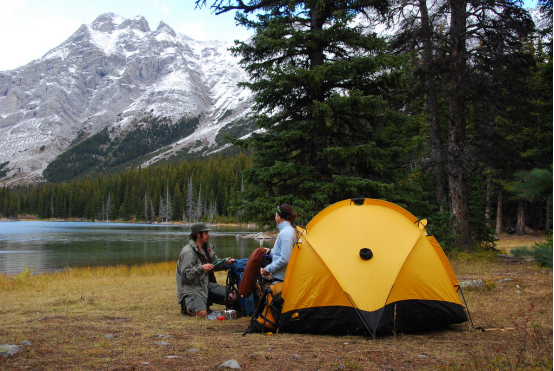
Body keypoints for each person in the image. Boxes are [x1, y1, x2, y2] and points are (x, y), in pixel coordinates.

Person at [176, 222, 237, 317]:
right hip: (191, 291)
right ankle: (186, 307)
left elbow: (215, 264)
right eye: (206, 233)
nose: (208, 235)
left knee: (233, 296)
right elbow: (184, 276)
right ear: (198, 234)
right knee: (202, 314)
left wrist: (226, 262)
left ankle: (205, 302)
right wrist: (201, 268)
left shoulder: (206, 248)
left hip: (206, 287)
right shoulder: (188, 252)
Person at [261, 203, 298, 281]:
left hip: (280, 278)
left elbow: (285, 259)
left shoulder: (286, 233)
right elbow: (283, 252)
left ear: (279, 217)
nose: (275, 217)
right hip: (280, 276)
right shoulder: (288, 230)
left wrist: (268, 269)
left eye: (276, 215)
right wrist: (270, 252)